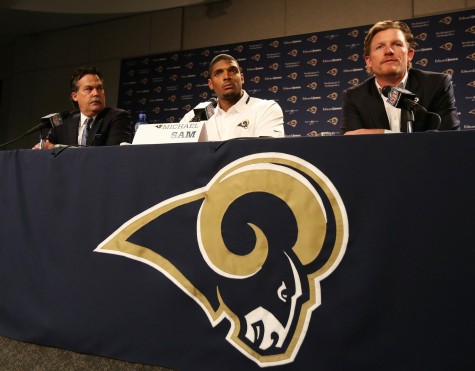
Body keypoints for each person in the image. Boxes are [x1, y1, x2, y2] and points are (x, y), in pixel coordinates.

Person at [341, 20, 460, 135]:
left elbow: (449, 140)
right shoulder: (354, 97)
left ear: (409, 54)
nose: (389, 51)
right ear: (369, 61)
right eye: (380, 47)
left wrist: (382, 133)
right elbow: (352, 146)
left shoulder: (437, 85)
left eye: (397, 44)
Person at [180, 54, 285, 141]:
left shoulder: (265, 108)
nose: (226, 76)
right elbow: (176, 143)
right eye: (218, 73)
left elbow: (268, 153)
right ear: (210, 84)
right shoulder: (204, 111)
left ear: (242, 78)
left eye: (233, 71)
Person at [33, 67, 132, 149]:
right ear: (75, 96)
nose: (96, 93)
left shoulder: (118, 117)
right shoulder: (62, 121)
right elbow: (47, 149)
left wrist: (56, 149)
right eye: (89, 89)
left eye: (99, 88)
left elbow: (112, 156)